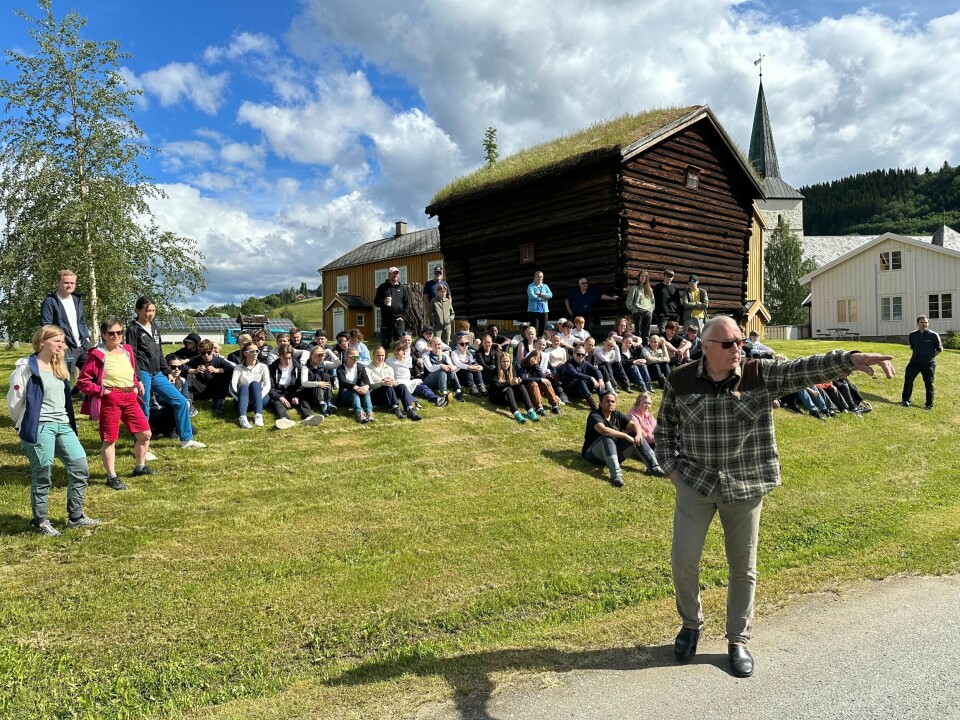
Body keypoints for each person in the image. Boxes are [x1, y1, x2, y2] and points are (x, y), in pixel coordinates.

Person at [655, 315, 894, 678]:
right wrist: (672, 470)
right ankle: (691, 625)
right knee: (683, 561)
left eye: (740, 341)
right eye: (729, 343)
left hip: (746, 484)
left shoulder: (758, 375)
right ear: (705, 347)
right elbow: (664, 428)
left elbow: (803, 369)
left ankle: (737, 640)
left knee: (743, 568)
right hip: (695, 483)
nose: (739, 348)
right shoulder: (680, 380)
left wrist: (849, 359)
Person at [10, 325, 99, 535]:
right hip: (40, 427)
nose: (62, 345)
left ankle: (75, 517)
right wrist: (23, 425)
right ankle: (40, 521)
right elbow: (14, 403)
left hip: (63, 426)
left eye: (62, 341)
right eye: (58, 341)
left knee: (80, 468)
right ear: (43, 342)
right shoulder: (25, 368)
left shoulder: (61, 368)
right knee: (43, 473)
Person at [77, 317, 153, 491]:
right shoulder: (97, 354)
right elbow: (83, 381)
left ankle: (140, 467)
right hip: (111, 399)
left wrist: (136, 383)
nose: (116, 336)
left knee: (145, 434)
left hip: (131, 398)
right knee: (109, 439)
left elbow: (131, 371)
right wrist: (103, 392)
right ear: (104, 334)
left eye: (119, 332)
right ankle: (111, 477)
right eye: (111, 333)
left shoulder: (127, 350)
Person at [126, 297, 205, 449]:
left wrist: (166, 371)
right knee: (144, 409)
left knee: (181, 402)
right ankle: (141, 448)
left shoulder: (155, 328)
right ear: (138, 310)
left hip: (157, 373)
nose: (151, 314)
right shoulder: (133, 330)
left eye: (153, 310)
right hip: (142, 373)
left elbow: (160, 352)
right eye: (148, 310)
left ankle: (186, 440)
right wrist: (137, 379)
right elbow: (132, 355)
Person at [582, 392, 658, 487]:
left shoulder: (617, 414)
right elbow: (603, 430)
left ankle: (654, 467)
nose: (610, 403)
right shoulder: (594, 415)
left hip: (614, 454)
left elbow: (634, 425)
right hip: (594, 455)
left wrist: (638, 434)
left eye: (613, 401)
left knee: (635, 433)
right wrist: (625, 436)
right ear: (600, 403)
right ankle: (616, 475)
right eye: (607, 401)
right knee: (607, 437)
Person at [39, 269, 91, 379]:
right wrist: (60, 342)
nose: (69, 285)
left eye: (72, 283)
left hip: (82, 345)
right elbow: (46, 326)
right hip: (65, 347)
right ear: (58, 283)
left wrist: (86, 336)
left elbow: (82, 321)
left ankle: (87, 395)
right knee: (65, 380)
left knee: (94, 375)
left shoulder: (77, 300)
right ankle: (67, 395)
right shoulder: (50, 301)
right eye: (66, 282)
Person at [268, 346, 323, 428]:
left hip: (293, 392)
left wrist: (296, 396)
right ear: (279, 356)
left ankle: (309, 417)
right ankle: (284, 419)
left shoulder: (298, 367)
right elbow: (270, 388)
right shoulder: (271, 368)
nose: (287, 361)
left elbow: (300, 385)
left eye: (289, 358)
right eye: (285, 358)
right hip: (279, 393)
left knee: (303, 399)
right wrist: (280, 397)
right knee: (277, 403)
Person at [367, 346, 422, 420]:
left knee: (401, 386)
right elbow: (370, 386)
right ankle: (395, 408)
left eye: (383, 355)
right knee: (387, 386)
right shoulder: (367, 368)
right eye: (378, 355)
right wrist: (381, 383)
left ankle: (409, 409)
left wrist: (393, 382)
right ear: (373, 355)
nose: (381, 357)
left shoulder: (388, 368)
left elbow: (394, 382)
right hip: (375, 395)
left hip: (389, 393)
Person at [901, 315, 942, 410]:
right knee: (908, 380)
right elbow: (912, 347)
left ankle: (929, 405)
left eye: (926, 322)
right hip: (914, 363)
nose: (924, 324)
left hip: (928, 364)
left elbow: (939, 349)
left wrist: (930, 357)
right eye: (922, 322)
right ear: (917, 324)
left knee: (929, 384)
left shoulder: (933, 335)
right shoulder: (912, 335)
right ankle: (906, 400)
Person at [387, 340, 443, 406]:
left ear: (403, 350)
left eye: (398, 350)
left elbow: (409, 368)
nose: (395, 352)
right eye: (394, 350)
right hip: (398, 383)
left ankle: (436, 399)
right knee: (404, 390)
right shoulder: (389, 360)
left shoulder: (409, 359)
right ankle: (414, 403)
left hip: (408, 381)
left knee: (422, 387)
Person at [184, 340, 233, 415]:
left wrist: (217, 370)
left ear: (212, 351)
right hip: (201, 388)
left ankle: (218, 405)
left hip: (217, 389)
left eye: (208, 353)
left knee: (226, 375)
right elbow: (184, 367)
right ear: (200, 353)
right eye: (203, 353)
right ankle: (189, 404)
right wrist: (195, 370)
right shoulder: (197, 359)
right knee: (189, 374)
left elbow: (231, 368)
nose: (206, 355)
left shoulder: (218, 360)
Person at [488, 351, 538, 424]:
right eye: (503, 361)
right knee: (508, 388)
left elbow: (514, 383)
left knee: (520, 386)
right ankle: (516, 413)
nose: (506, 364)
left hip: (509, 395)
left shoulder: (512, 370)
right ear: (500, 362)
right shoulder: (494, 371)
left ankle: (530, 410)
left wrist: (518, 382)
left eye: (507, 361)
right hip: (496, 396)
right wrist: (510, 383)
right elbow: (497, 386)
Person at [231, 341, 271, 429]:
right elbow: (232, 385)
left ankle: (258, 415)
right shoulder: (238, 368)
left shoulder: (263, 367)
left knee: (255, 384)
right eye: (252, 352)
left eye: (257, 351)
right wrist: (239, 397)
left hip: (259, 398)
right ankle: (242, 418)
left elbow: (267, 385)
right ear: (245, 353)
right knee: (244, 386)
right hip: (243, 398)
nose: (255, 353)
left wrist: (258, 397)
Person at [557, 344, 604, 410]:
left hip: (581, 388)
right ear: (573, 354)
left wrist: (600, 379)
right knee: (580, 379)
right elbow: (575, 374)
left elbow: (595, 370)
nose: (581, 356)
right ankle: (591, 402)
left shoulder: (584, 362)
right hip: (570, 390)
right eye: (578, 354)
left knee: (595, 376)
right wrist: (591, 378)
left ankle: (603, 398)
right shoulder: (568, 364)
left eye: (583, 355)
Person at [336, 348, 375, 423]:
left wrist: (366, 387)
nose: (356, 359)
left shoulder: (360, 367)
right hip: (345, 394)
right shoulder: (340, 369)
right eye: (354, 357)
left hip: (358, 391)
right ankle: (360, 413)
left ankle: (369, 412)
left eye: (358, 357)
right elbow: (343, 382)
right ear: (347, 357)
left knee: (366, 391)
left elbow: (367, 381)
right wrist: (355, 387)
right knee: (355, 392)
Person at [517, 350, 561, 415]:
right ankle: (539, 408)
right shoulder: (520, 365)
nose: (537, 362)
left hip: (535, 390)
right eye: (535, 359)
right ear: (530, 358)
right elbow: (524, 379)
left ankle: (555, 405)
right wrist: (539, 379)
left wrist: (536, 366)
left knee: (546, 382)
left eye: (538, 361)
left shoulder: (535, 366)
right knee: (533, 383)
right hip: (525, 390)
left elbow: (543, 378)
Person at [422, 336, 465, 402]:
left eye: (439, 344)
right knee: (441, 370)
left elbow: (453, 366)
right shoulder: (426, 355)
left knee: (450, 369)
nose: (437, 346)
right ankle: (444, 393)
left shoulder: (445, 355)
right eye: (435, 344)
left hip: (442, 380)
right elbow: (430, 369)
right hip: (429, 380)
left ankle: (458, 391)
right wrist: (441, 366)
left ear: (441, 345)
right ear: (431, 345)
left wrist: (452, 367)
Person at [374, 266, 408, 349]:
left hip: (399, 321)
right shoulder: (382, 287)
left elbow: (407, 304)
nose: (395, 275)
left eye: (397, 274)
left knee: (400, 344)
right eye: (393, 274)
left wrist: (403, 317)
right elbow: (376, 302)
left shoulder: (403, 288)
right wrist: (383, 302)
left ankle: (400, 362)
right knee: (385, 344)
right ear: (389, 275)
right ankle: (383, 361)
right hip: (386, 321)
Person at [300, 345, 336, 416]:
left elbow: (338, 363)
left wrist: (328, 351)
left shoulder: (324, 363)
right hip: (311, 392)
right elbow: (303, 383)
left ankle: (329, 402)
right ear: (311, 356)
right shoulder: (305, 367)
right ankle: (322, 404)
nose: (320, 357)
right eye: (317, 355)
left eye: (322, 355)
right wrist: (317, 384)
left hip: (324, 391)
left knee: (326, 376)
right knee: (317, 376)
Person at [626, 271, 655, 345]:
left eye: (645, 276)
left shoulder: (649, 290)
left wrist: (651, 310)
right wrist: (634, 310)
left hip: (648, 312)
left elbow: (653, 302)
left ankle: (646, 349)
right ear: (639, 277)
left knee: (646, 334)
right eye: (642, 276)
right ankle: (638, 349)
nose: (643, 278)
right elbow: (629, 302)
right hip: (638, 312)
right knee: (638, 334)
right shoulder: (634, 288)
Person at [653, 269, 682, 333]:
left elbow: (678, 301)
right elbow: (654, 301)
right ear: (664, 276)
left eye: (671, 277)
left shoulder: (675, 288)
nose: (669, 278)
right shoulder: (658, 287)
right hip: (662, 315)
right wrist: (659, 313)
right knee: (663, 333)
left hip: (673, 315)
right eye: (667, 276)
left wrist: (678, 313)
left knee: (672, 333)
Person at [526, 271, 553, 336]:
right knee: (534, 329)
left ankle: (540, 342)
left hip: (544, 311)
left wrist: (540, 294)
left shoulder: (545, 286)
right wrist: (543, 297)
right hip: (533, 311)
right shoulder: (531, 286)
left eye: (541, 277)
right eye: (538, 276)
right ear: (535, 277)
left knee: (542, 328)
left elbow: (550, 295)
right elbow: (532, 296)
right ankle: (534, 342)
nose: (540, 278)